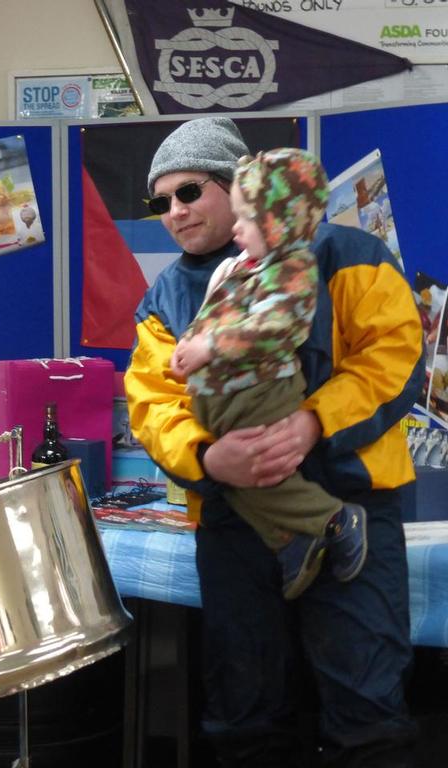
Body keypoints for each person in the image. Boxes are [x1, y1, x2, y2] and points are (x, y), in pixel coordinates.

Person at [126, 117, 423, 766]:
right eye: (160, 201)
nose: (173, 213)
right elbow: (152, 405)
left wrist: (315, 421)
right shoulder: (165, 298)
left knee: (366, 714)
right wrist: (207, 458)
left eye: (188, 191)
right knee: (245, 720)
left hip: (354, 503)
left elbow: (396, 356)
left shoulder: (346, 253)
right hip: (234, 522)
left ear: (238, 186)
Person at [169, 147, 366, 601]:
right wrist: (188, 346)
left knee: (260, 474)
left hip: (257, 393)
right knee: (242, 486)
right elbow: (217, 316)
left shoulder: (292, 270)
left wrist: (208, 346)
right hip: (224, 400)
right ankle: (294, 539)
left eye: (246, 220)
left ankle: (332, 520)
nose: (236, 230)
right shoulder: (246, 268)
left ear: (279, 221)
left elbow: (274, 327)